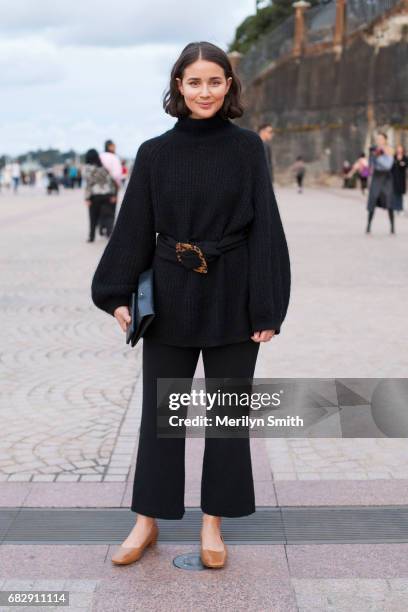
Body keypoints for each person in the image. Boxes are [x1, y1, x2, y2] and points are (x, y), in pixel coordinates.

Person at [91, 41, 291, 569]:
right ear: (178, 85)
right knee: (161, 419)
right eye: (194, 81)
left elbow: (265, 225)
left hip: (233, 295)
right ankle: (147, 521)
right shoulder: (155, 153)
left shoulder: (248, 148)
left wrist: (267, 306)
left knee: (226, 419)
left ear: (229, 86)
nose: (205, 91)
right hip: (171, 297)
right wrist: (114, 295)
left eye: (215, 81)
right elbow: (133, 224)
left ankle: (212, 524)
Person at [84, 149, 116, 242]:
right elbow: (110, 181)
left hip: (95, 196)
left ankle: (91, 237)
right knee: (108, 216)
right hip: (107, 194)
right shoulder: (103, 168)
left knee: (93, 217)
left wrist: (87, 198)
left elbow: (89, 184)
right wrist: (113, 194)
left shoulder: (87, 168)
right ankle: (110, 234)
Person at [366, 132, 395, 234]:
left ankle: (392, 226)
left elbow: (388, 165)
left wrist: (379, 156)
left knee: (389, 201)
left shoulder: (389, 149)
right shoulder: (374, 150)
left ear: (385, 139)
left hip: (386, 178)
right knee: (372, 201)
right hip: (376, 177)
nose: (379, 140)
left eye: (381, 138)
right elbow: (370, 167)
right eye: (377, 139)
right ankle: (368, 226)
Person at [99, 140, 123, 235]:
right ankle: (109, 231)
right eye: (113, 146)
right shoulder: (114, 157)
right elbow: (117, 174)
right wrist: (118, 186)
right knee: (111, 210)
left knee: (101, 209)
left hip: (99, 187)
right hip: (112, 186)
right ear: (109, 147)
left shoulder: (100, 156)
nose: (115, 148)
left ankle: (101, 228)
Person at [391, 145, 407, 214]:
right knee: (394, 193)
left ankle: (400, 208)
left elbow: (406, 164)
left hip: (401, 178)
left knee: (400, 194)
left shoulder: (405, 157)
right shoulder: (393, 157)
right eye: (398, 149)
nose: (399, 150)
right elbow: (391, 167)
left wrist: (402, 163)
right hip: (394, 177)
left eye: (401, 149)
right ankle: (395, 208)